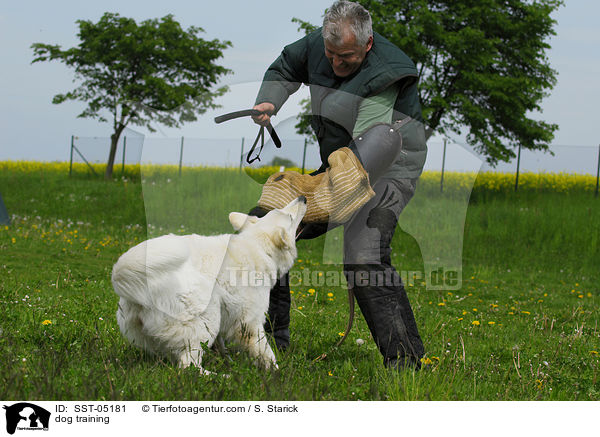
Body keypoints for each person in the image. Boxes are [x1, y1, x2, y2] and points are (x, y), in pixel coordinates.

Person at [250, 0, 427, 369]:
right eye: (330, 55)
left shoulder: (388, 73)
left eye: (345, 57)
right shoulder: (320, 44)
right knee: (262, 227)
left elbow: (364, 156)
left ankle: (405, 363)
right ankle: (268, 342)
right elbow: (287, 64)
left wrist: (314, 203)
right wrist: (269, 99)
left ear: (368, 43)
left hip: (389, 167)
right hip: (340, 161)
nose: (335, 64)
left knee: (364, 253)